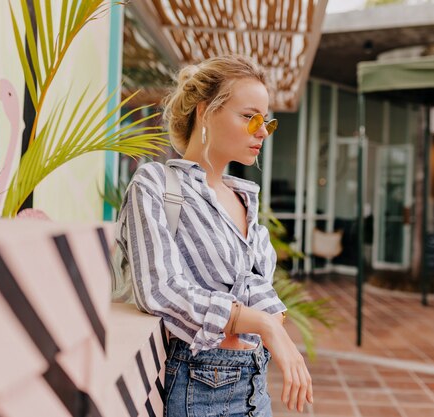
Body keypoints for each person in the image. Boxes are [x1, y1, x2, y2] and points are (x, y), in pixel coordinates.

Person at [116, 55, 312, 417]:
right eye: (249, 116)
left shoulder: (246, 201)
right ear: (205, 112)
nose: (262, 131)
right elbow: (159, 289)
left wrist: (270, 324)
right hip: (200, 388)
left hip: (254, 382)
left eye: (266, 120)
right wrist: (262, 322)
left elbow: (262, 293)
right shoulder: (156, 184)